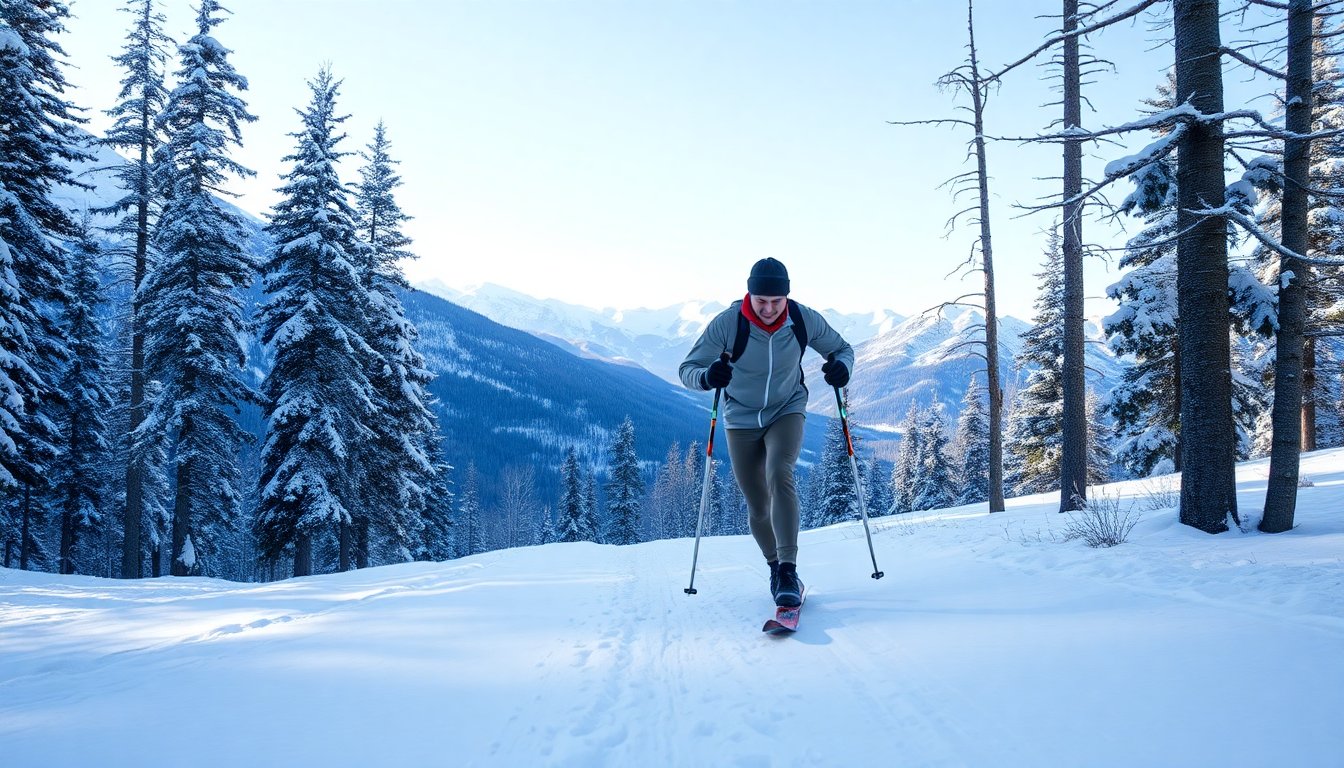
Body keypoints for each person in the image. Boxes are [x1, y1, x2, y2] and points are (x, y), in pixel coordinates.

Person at [679, 258, 854, 607]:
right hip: (740, 419)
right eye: (762, 301)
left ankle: (788, 571)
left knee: (780, 472)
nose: (770, 308)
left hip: (786, 409)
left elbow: (842, 349)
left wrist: (841, 368)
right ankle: (775, 567)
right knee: (758, 504)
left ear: (786, 297)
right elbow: (688, 369)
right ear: (750, 294)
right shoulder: (729, 323)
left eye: (777, 301)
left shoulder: (803, 319)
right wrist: (707, 377)